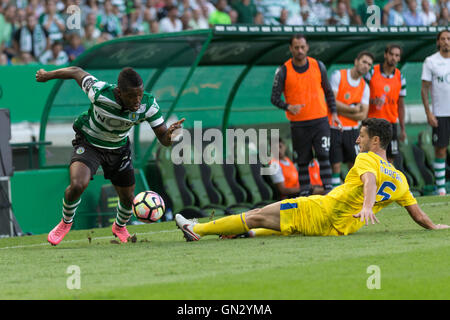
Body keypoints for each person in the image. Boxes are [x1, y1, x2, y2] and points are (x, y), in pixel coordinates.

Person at [175, 118, 449, 242]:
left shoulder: (368, 159)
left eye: (362, 136)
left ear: (375, 141)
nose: (357, 140)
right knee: (281, 227)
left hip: (323, 210)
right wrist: (434, 226)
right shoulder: (400, 179)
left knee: (257, 213)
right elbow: (418, 214)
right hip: (340, 229)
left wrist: (367, 205)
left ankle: (197, 229)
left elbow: (369, 182)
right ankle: (243, 233)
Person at [35, 66, 185, 245]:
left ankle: (120, 226)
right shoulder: (100, 91)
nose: (137, 100)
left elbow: (164, 139)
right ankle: (66, 223)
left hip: (118, 149)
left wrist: (171, 135)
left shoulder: (148, 104)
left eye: (140, 94)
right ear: (119, 92)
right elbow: (76, 71)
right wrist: (47, 75)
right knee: (77, 185)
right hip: (89, 143)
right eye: (131, 96)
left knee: (128, 198)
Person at [271, 34, 341, 197]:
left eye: (302, 47)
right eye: (296, 47)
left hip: (320, 121)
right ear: (291, 49)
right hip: (299, 124)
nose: (300, 50)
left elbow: (329, 92)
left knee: (324, 156)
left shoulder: (318, 66)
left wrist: (335, 114)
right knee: (302, 160)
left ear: (307, 47)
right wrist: (288, 106)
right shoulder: (283, 70)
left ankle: (329, 193)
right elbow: (274, 98)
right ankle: (304, 195)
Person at [329, 51, 372, 188]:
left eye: (369, 64)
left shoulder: (365, 86)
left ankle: (351, 193)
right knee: (335, 164)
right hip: (334, 128)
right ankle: (335, 194)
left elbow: (363, 115)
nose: (366, 66)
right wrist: (353, 109)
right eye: (364, 62)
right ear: (356, 61)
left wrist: (342, 110)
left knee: (353, 165)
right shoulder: (338, 76)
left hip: (353, 131)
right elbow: (332, 103)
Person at [365, 44, 407, 164]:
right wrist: (373, 101)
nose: (393, 57)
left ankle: (386, 183)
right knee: (372, 157)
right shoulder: (372, 72)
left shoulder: (400, 77)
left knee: (390, 158)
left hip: (391, 124)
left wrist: (403, 129)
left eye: (397, 55)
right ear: (385, 55)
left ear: (399, 58)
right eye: (391, 54)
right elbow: (360, 95)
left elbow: (401, 105)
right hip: (373, 123)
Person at [421, 30, 450, 196]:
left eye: (449, 38)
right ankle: (440, 187)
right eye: (443, 39)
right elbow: (424, 89)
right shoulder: (430, 61)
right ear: (438, 42)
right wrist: (428, 113)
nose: (446, 41)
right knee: (441, 149)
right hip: (440, 113)